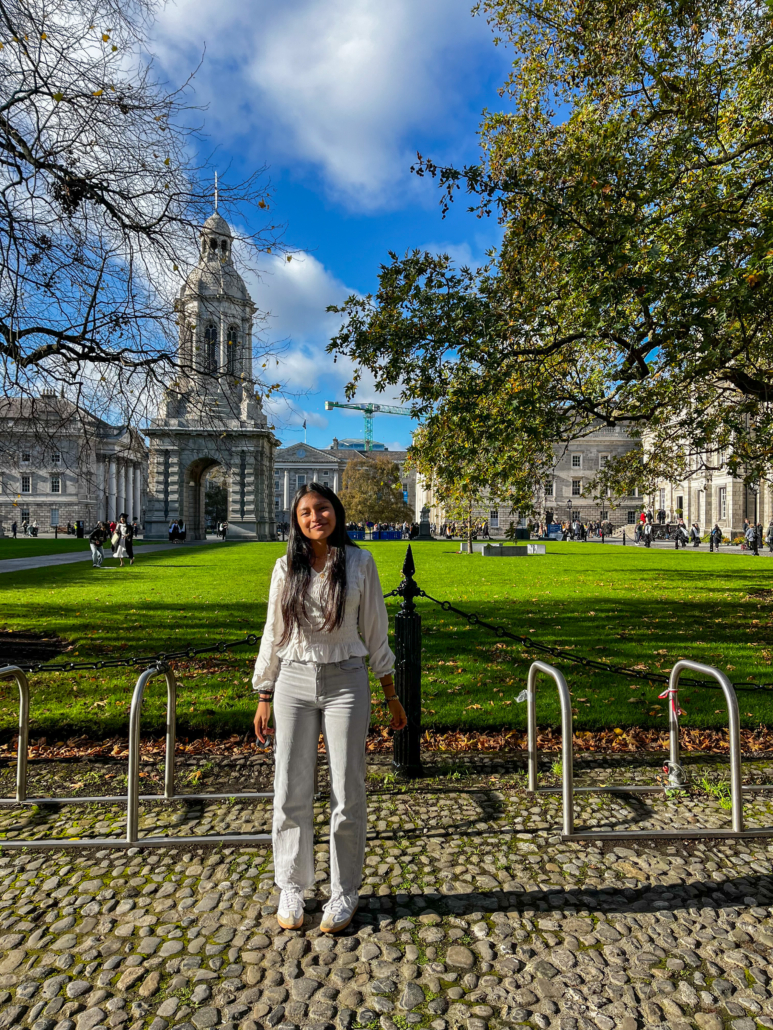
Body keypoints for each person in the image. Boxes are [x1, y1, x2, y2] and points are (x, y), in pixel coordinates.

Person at [253, 482, 407, 935]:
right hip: (293, 680)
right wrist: (264, 692)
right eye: (305, 512)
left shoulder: (360, 562)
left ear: (335, 511)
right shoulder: (286, 567)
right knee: (289, 788)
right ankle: (291, 885)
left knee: (347, 788)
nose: (314, 517)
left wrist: (390, 691)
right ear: (296, 520)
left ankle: (344, 890)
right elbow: (273, 632)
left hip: (346, 680)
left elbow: (375, 628)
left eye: (321, 508)